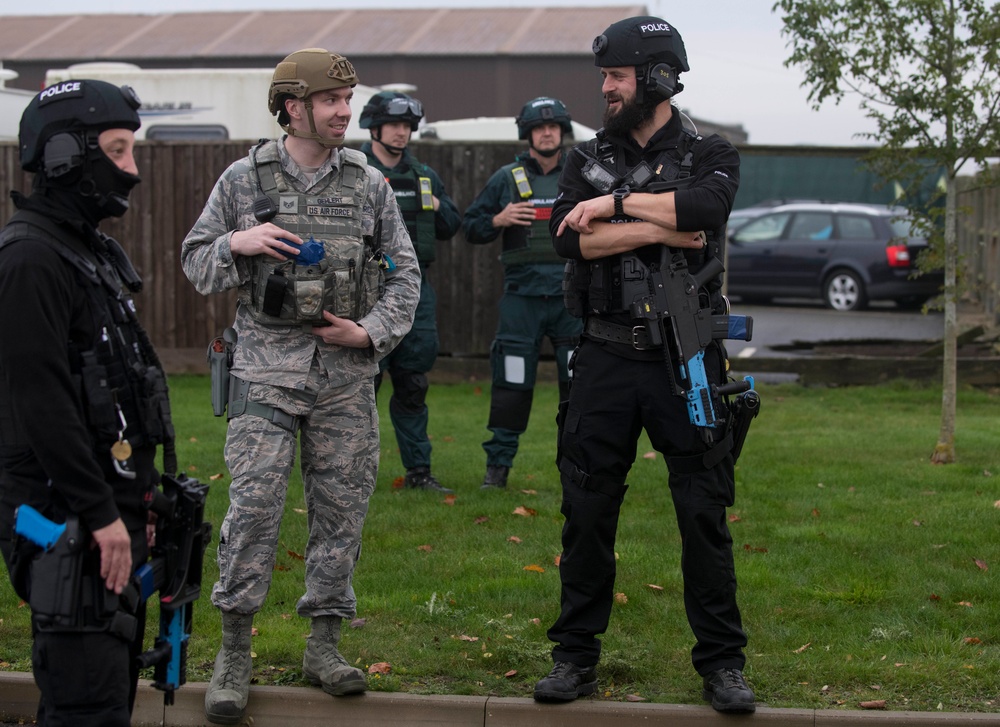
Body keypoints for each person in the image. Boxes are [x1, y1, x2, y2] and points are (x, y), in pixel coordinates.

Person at [181, 48, 420, 725]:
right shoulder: (243, 179)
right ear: (293, 106)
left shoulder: (368, 183)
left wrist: (369, 332)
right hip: (265, 371)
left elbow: (406, 275)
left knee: (341, 514)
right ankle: (233, 651)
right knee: (253, 513)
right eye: (331, 101)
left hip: (345, 380)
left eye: (348, 100)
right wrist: (240, 243)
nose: (346, 111)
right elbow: (196, 260)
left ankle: (324, 645)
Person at [533, 16, 756, 713]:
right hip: (603, 354)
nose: (605, 87)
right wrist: (655, 221)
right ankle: (575, 656)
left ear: (655, 78)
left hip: (687, 357)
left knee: (703, 510)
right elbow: (570, 241)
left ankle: (722, 664)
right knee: (587, 506)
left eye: (617, 76)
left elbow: (706, 209)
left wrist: (615, 206)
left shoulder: (709, 150)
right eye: (606, 76)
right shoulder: (584, 156)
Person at [0, 80, 176, 726]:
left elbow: (116, 390)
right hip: (55, 520)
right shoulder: (30, 261)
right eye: (118, 150)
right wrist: (100, 516)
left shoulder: (88, 254)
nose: (130, 169)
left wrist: (141, 500)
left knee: (109, 689)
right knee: (86, 702)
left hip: (105, 514)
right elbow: (41, 403)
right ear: (64, 157)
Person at [462, 97, 583, 490]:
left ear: (562, 131)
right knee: (512, 383)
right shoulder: (506, 177)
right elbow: (471, 226)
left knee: (579, 385)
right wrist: (498, 218)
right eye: (538, 128)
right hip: (522, 299)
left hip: (572, 299)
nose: (547, 133)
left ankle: (577, 469)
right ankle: (497, 469)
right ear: (527, 133)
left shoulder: (583, 175)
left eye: (553, 127)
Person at [358, 91, 462, 493]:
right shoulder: (354, 170)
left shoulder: (423, 176)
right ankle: (352, 473)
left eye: (407, 126)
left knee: (413, 384)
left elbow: (453, 225)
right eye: (394, 125)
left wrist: (435, 203)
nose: (402, 133)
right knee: (362, 386)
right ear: (375, 127)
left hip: (416, 290)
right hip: (365, 293)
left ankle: (419, 472)